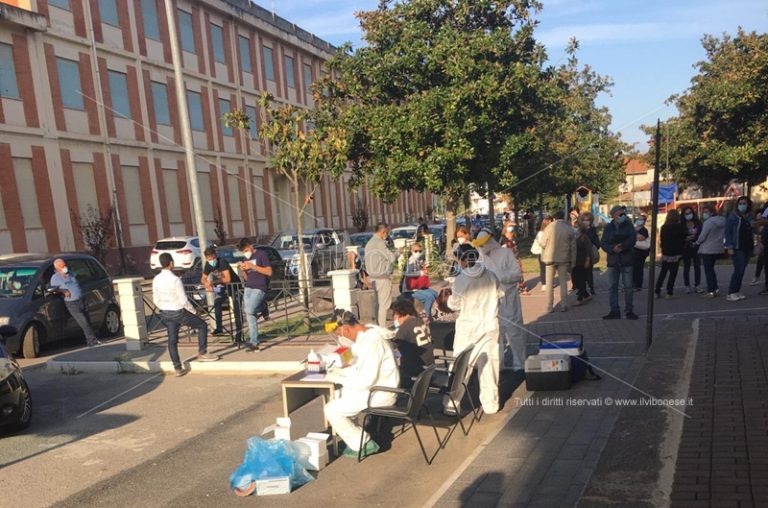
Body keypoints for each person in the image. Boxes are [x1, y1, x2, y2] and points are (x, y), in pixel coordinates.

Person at [324, 310, 399, 458]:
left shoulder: (371, 342)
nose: (340, 337)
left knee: (331, 409)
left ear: (346, 329)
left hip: (381, 392)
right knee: (339, 394)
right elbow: (355, 360)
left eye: (340, 334)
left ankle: (363, 442)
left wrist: (340, 377)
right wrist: (338, 369)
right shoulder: (367, 335)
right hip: (377, 387)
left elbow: (366, 379)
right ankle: (358, 436)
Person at [438, 244, 502, 414]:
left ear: (465, 259)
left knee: (461, 367)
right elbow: (500, 296)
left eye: (459, 259)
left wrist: (448, 298)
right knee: (489, 367)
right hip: (490, 326)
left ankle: (451, 405)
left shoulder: (461, 280)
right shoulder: (491, 275)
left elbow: (454, 304)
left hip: (468, 328)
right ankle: (491, 405)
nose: (458, 263)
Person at [152, 253, 219, 376]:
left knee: (172, 340)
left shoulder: (156, 279)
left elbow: (155, 299)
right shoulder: (175, 279)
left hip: (166, 312)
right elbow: (183, 300)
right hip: (178, 311)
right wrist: (194, 312)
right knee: (202, 325)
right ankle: (202, 353)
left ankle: (177, 368)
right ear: (171, 263)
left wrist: (163, 307)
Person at [473, 228, 526, 371]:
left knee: (514, 332)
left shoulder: (506, 253)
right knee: (495, 334)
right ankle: (498, 365)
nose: (482, 248)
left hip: (509, 298)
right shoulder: (480, 257)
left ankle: (519, 365)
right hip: (491, 301)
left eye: (484, 245)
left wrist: (501, 276)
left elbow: (517, 275)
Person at [50, 258, 100, 347]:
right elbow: (53, 290)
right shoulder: (55, 278)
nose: (65, 267)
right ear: (57, 268)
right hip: (72, 303)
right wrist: (63, 290)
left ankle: (92, 339)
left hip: (81, 299)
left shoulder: (71, 273)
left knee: (88, 321)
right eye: (62, 266)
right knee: (83, 322)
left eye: (65, 265)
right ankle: (92, 341)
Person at [601, 205, 638, 320]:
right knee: (612, 287)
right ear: (613, 215)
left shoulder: (629, 225)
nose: (623, 216)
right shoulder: (608, 227)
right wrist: (612, 248)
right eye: (620, 214)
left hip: (626, 259)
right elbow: (603, 242)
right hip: (613, 261)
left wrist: (622, 246)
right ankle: (614, 311)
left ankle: (629, 310)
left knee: (628, 286)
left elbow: (632, 239)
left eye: (623, 213)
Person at [237, 238, 273, 352]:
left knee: (250, 309)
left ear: (250, 246)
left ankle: (263, 307)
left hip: (259, 287)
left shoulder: (261, 254)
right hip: (248, 287)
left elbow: (269, 272)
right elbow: (247, 277)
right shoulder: (245, 258)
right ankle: (254, 342)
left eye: (246, 250)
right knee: (249, 314)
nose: (245, 253)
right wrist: (243, 270)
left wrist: (253, 267)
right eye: (243, 251)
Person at [390, 299, 434, 389]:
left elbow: (391, 346)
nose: (394, 317)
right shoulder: (420, 321)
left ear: (399, 313)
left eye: (394, 314)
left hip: (414, 371)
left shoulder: (406, 326)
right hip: (428, 368)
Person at [539, 211, 576, 313]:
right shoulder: (569, 228)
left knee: (549, 283)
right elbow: (573, 247)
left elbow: (542, 243)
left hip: (549, 258)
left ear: (554, 218)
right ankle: (564, 304)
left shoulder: (549, 227)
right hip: (564, 258)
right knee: (563, 282)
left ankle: (549, 306)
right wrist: (573, 260)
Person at [202, 247, 242, 339]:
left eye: (212, 259)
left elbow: (227, 279)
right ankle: (219, 328)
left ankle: (239, 333)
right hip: (223, 287)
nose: (211, 261)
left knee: (236, 310)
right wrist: (206, 284)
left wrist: (212, 283)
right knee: (217, 303)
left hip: (234, 286)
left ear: (215, 256)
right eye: (209, 259)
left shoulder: (222, 262)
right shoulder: (208, 265)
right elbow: (203, 278)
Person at [365, 222, 397, 326]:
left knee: (377, 303)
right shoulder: (379, 243)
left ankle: (378, 325)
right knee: (384, 304)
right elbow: (391, 258)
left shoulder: (369, 243)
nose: (387, 235)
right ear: (383, 231)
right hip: (382, 277)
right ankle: (382, 328)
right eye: (386, 232)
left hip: (373, 277)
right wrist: (397, 252)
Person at [724, 196, 754, 301]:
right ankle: (731, 292)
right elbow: (727, 232)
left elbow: (751, 230)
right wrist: (729, 246)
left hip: (747, 247)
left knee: (742, 270)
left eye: (744, 203)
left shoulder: (748, 216)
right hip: (737, 247)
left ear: (748, 204)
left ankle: (737, 291)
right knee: (738, 269)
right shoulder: (733, 216)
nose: (742, 205)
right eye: (740, 203)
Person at [655, 209, 687, 299]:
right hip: (676, 252)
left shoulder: (664, 227)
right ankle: (669, 291)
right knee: (673, 273)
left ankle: (657, 290)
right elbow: (684, 237)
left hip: (666, 252)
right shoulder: (680, 227)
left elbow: (662, 239)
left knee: (663, 272)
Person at [695, 205, 726, 297]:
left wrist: (697, 242)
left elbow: (703, 236)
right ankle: (715, 287)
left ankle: (711, 290)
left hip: (707, 249)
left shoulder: (708, 222)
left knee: (708, 270)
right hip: (717, 247)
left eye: (706, 211)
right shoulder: (723, 221)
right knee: (711, 269)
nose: (704, 214)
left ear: (712, 212)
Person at [402, 242, 439, 319]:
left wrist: (424, 268)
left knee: (435, 293)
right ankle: (426, 316)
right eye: (415, 251)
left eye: (419, 251)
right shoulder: (410, 261)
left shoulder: (418, 260)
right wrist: (420, 273)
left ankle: (429, 311)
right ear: (411, 251)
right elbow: (407, 273)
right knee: (429, 297)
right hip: (410, 289)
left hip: (418, 286)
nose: (418, 253)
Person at [499, 220, 529, 295]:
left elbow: (514, 224)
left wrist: (512, 224)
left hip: (515, 256)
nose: (511, 228)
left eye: (512, 227)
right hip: (507, 258)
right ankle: (510, 288)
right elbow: (502, 249)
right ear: (505, 228)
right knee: (509, 273)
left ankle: (521, 288)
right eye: (509, 227)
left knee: (519, 271)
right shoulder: (503, 238)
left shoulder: (513, 236)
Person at [572, 213, 596, 305]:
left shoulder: (584, 237)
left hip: (583, 261)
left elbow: (588, 249)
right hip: (575, 261)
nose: (575, 229)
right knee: (576, 281)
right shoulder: (574, 237)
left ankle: (580, 298)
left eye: (576, 227)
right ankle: (586, 295)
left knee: (581, 280)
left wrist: (587, 260)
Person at [681, 206, 704, 294]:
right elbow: (680, 236)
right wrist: (686, 238)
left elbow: (701, 233)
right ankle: (687, 285)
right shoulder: (682, 224)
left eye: (690, 213)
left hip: (696, 246)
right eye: (686, 213)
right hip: (686, 248)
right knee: (686, 267)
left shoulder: (697, 223)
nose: (688, 215)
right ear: (683, 215)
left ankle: (697, 285)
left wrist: (696, 238)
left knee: (697, 266)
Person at [531, 216, 553, 292]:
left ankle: (549, 282)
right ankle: (544, 284)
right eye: (550, 222)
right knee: (543, 268)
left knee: (550, 268)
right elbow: (542, 243)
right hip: (542, 253)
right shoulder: (541, 233)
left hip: (550, 252)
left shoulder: (552, 231)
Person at [583, 212, 601, 296]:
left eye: (588, 220)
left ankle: (591, 288)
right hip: (580, 255)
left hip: (589, 255)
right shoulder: (580, 230)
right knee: (581, 273)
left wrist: (593, 245)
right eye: (584, 220)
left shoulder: (592, 231)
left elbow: (597, 243)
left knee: (589, 272)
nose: (586, 222)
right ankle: (582, 289)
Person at [632, 213, 651, 290]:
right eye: (638, 218)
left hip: (641, 252)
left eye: (641, 219)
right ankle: (633, 283)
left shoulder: (644, 230)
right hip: (633, 251)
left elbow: (641, 238)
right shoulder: (633, 228)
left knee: (639, 268)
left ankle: (638, 285)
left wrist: (634, 235)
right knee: (633, 268)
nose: (639, 220)